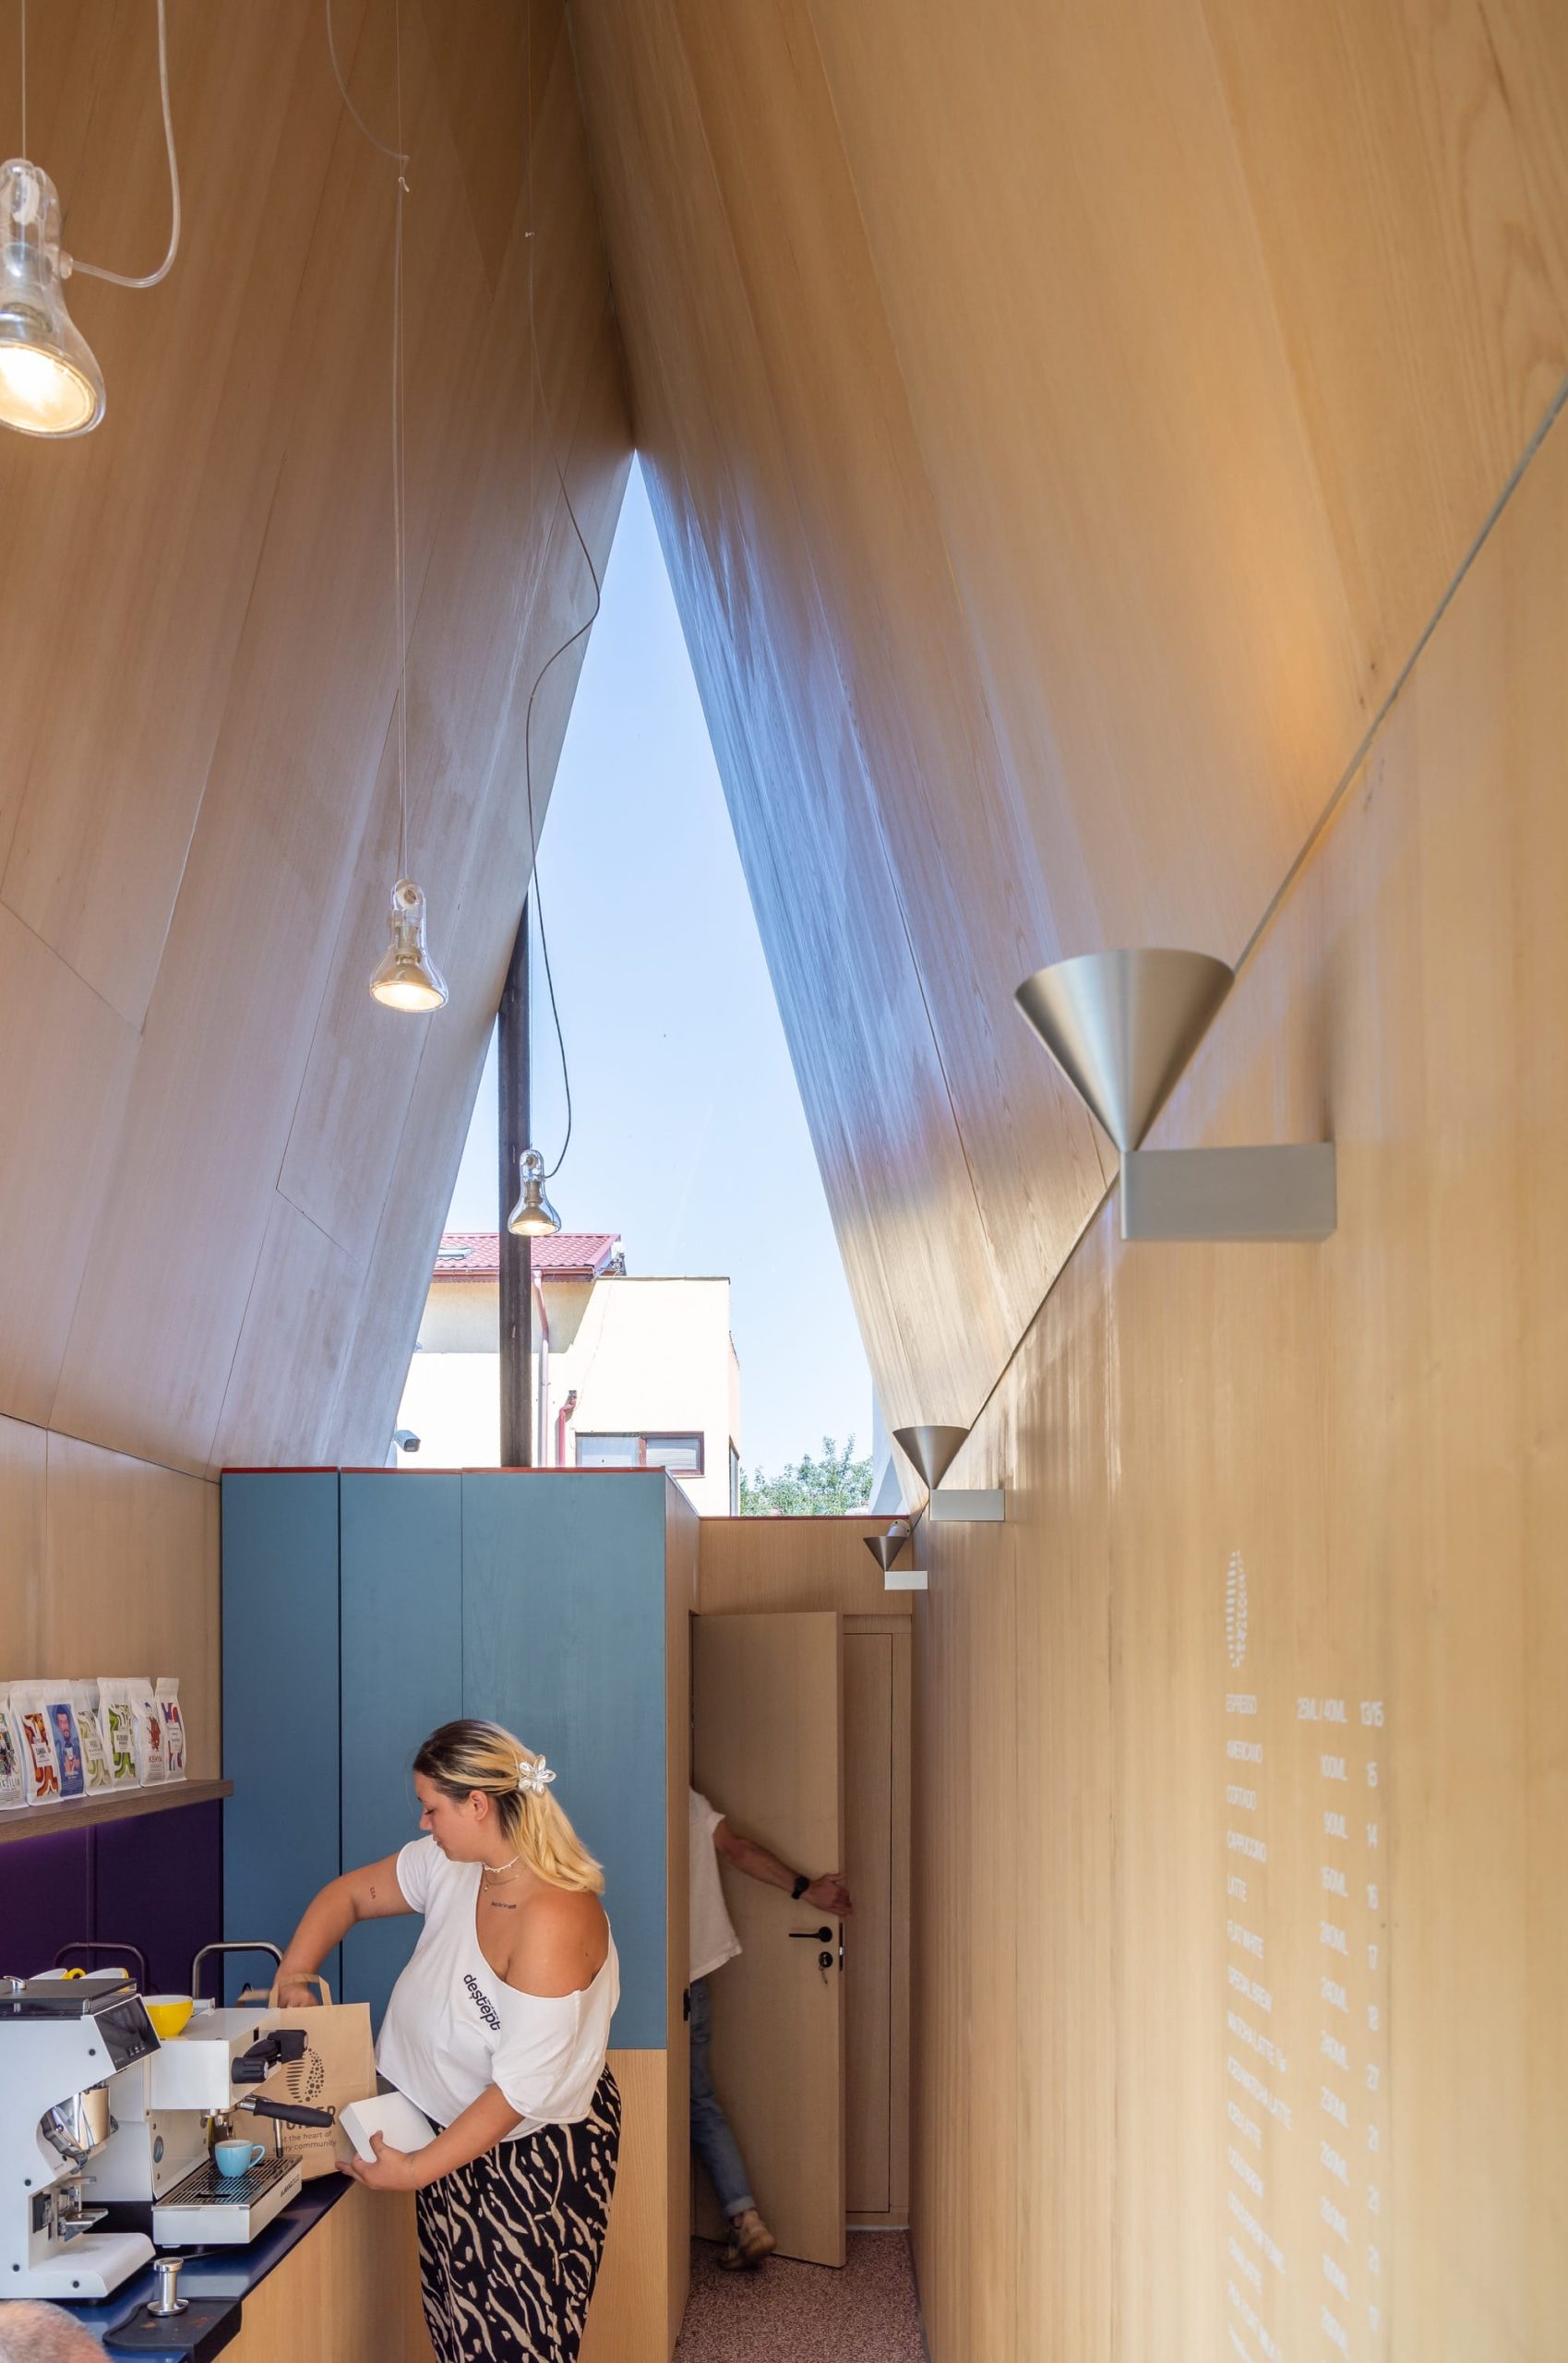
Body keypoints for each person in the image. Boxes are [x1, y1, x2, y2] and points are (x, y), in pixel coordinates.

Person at [278, 1721, 620, 2363]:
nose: (423, 1824)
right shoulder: (454, 1865)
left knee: (518, 2341)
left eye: (431, 1808)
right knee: (460, 2332)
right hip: (450, 2136)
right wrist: (296, 1972)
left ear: (478, 1803)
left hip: (530, 2153)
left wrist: (413, 2169)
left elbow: (521, 2091)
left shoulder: (553, 1914)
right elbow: (346, 1897)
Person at [688, 1787, 852, 2269]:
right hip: (691, 1973)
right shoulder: (687, 1799)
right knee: (697, 2103)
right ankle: (744, 2217)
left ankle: (650, 2245)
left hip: (636, 1979)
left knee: (641, 2100)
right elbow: (738, 1850)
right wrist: (806, 1888)